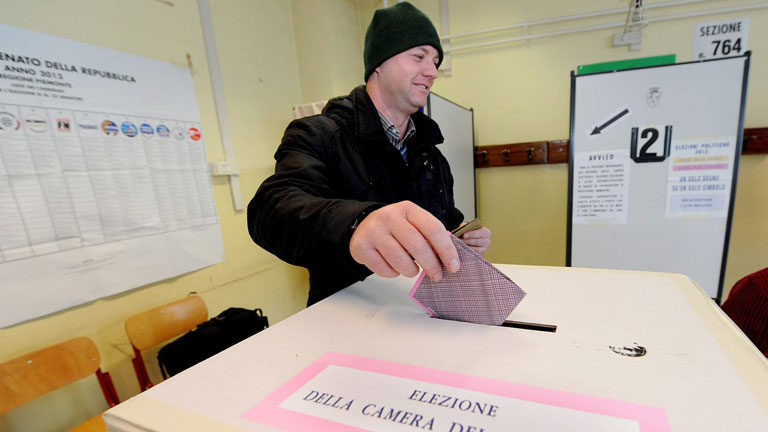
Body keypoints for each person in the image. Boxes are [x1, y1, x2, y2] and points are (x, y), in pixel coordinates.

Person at [247, 2, 491, 306]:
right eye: (418, 56)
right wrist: (356, 223)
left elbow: (445, 220)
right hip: (349, 316)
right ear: (380, 62)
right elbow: (271, 210)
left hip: (422, 313)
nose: (432, 71)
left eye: (435, 60)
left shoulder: (431, 155)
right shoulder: (319, 134)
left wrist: (460, 237)